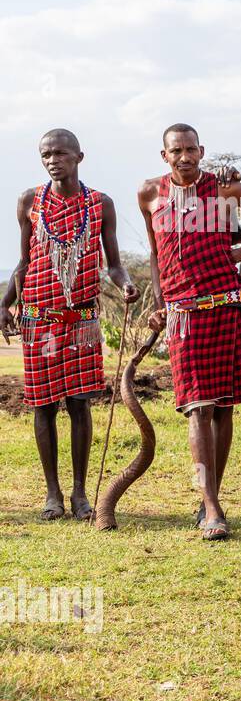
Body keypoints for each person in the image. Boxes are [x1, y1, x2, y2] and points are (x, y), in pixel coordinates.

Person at [139, 123, 241, 540]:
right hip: (183, 315)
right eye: (177, 151)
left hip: (224, 307)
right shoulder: (150, 194)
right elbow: (156, 254)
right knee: (197, 407)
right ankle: (211, 507)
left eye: (191, 149)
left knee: (222, 407)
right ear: (164, 155)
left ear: (201, 151)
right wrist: (159, 303)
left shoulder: (224, 191)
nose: (185, 157)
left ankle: (211, 498)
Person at [1, 129, 137, 521]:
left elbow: (112, 263)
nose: (52, 160)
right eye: (45, 154)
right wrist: (6, 302)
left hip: (81, 321)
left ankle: (79, 493)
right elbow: (24, 262)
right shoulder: (30, 201)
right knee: (42, 407)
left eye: (60, 153)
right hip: (38, 321)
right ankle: (52, 494)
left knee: (79, 404)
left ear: (80, 156)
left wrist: (125, 283)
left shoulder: (100, 204)